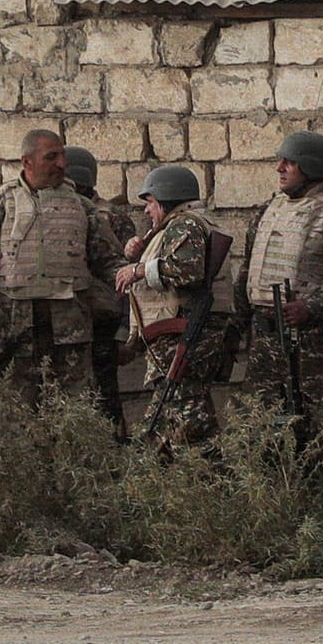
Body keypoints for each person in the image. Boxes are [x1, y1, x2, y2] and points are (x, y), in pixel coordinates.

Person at [0, 129, 124, 402]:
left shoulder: (82, 208)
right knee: (18, 422)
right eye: (51, 157)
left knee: (75, 419)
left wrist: (135, 277)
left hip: (71, 338)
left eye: (62, 156)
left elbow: (109, 262)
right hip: (14, 339)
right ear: (27, 162)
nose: (61, 164)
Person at [235, 130, 323, 420]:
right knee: (257, 426)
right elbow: (248, 268)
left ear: (311, 167)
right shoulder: (269, 209)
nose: (279, 168)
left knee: (321, 429)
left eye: (289, 162)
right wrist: (236, 325)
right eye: (280, 161)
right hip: (264, 341)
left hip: (311, 342)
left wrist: (310, 307)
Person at [116, 165, 231, 450]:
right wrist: (141, 250)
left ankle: (207, 481)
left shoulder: (185, 224)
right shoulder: (178, 226)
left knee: (189, 428)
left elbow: (188, 271)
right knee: (169, 424)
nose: (146, 211)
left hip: (185, 339)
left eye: (151, 203)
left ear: (167, 199)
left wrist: (139, 270)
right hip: (178, 341)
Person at [66, 145, 138, 434]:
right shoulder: (58, 212)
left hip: (103, 323)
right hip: (70, 321)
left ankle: (113, 449)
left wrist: (124, 331)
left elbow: (125, 278)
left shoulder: (112, 217)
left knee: (105, 395)